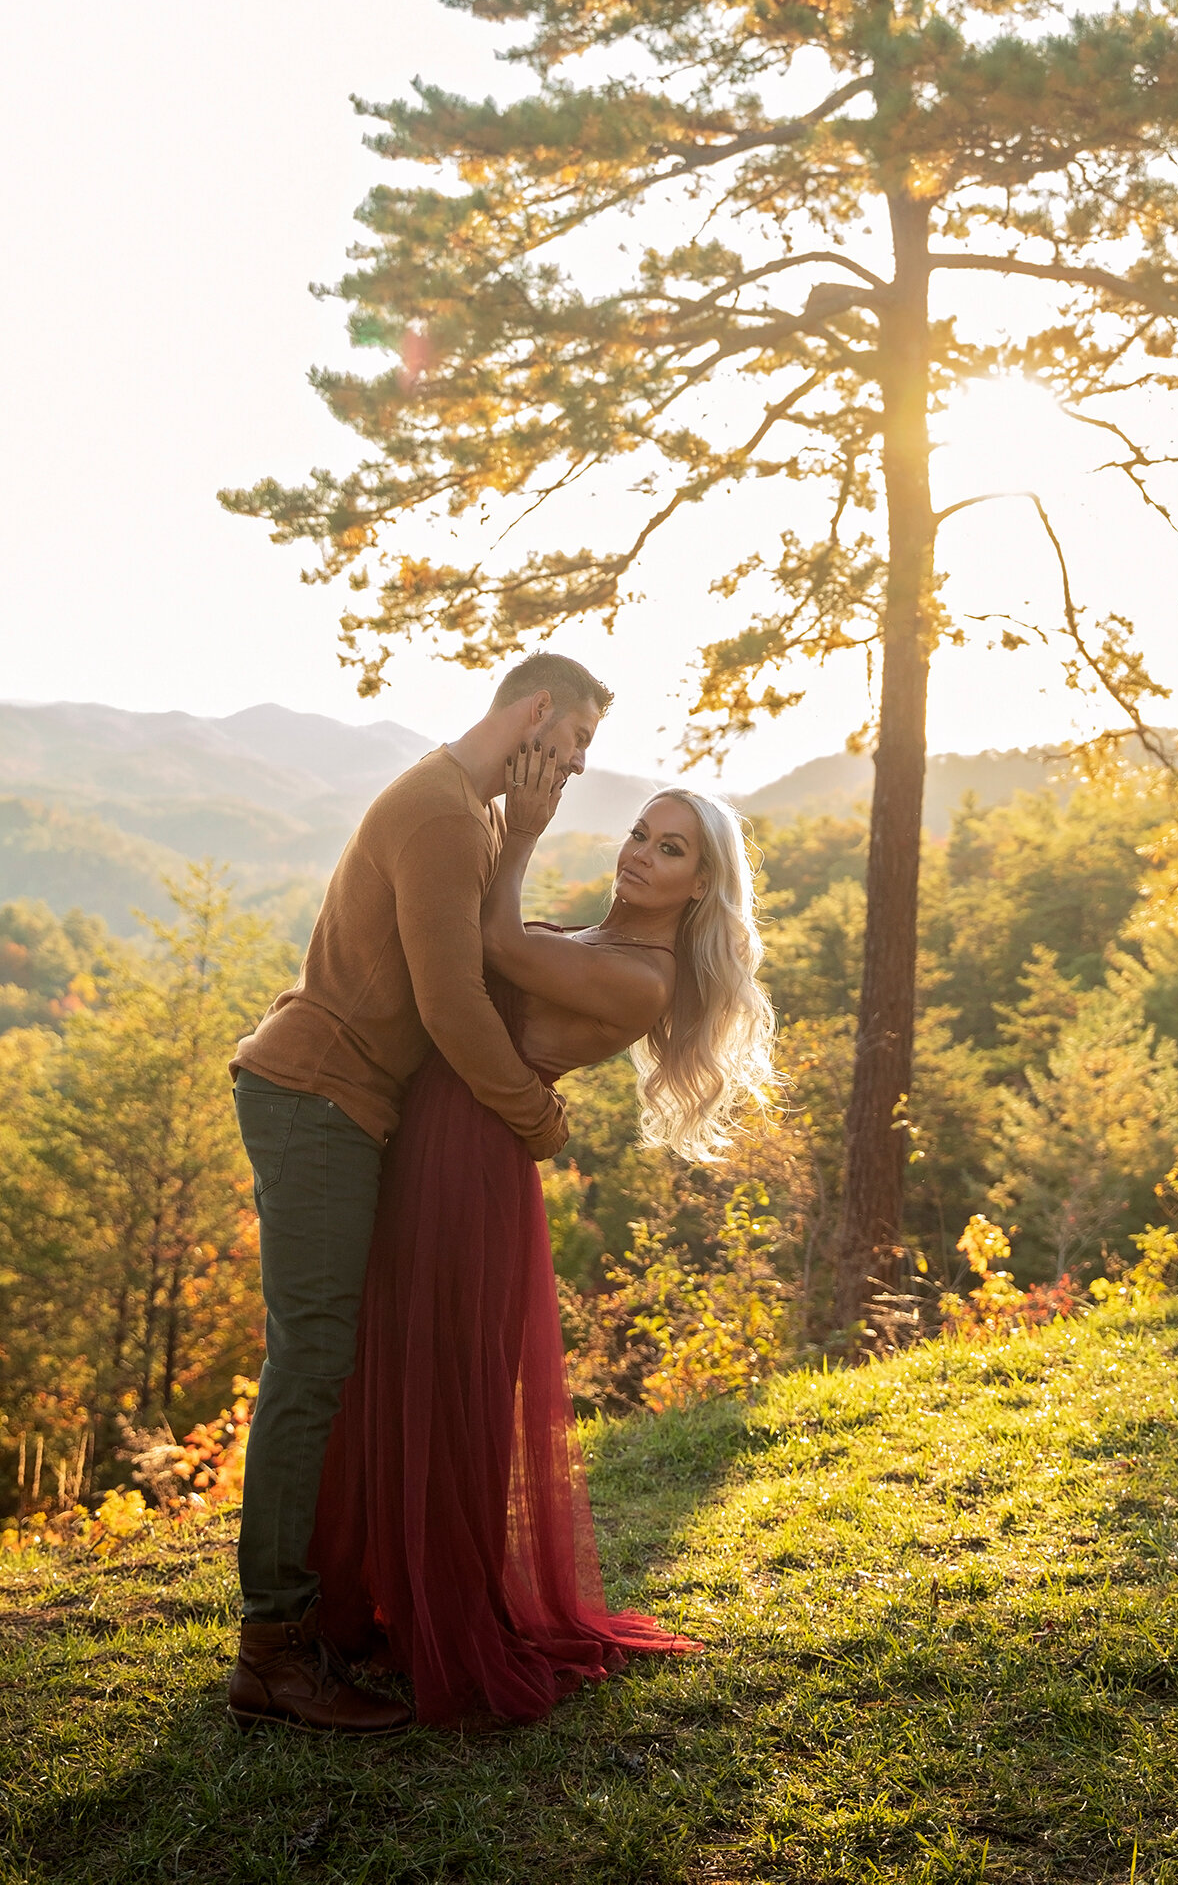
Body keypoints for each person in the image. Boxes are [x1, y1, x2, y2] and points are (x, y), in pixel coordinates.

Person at [308, 740, 777, 1725]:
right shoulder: (604, 939)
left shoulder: (642, 978)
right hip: (438, 1133)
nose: (642, 854)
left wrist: (518, 831)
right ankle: (373, 1597)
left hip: (467, 1158)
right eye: (643, 834)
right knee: (391, 1368)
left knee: (449, 1387)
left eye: (672, 851)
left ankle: (452, 1615)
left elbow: (491, 947)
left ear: (701, 888)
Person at [225, 653, 610, 1735]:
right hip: (314, 1099)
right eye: (575, 741)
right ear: (535, 713)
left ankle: (325, 1615)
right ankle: (271, 1652)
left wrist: (525, 838)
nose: (577, 766)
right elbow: (453, 1008)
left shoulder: (470, 813)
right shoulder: (440, 813)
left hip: (343, 1108)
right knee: (310, 1363)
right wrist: (536, 1121)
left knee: (332, 1361)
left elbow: (491, 947)